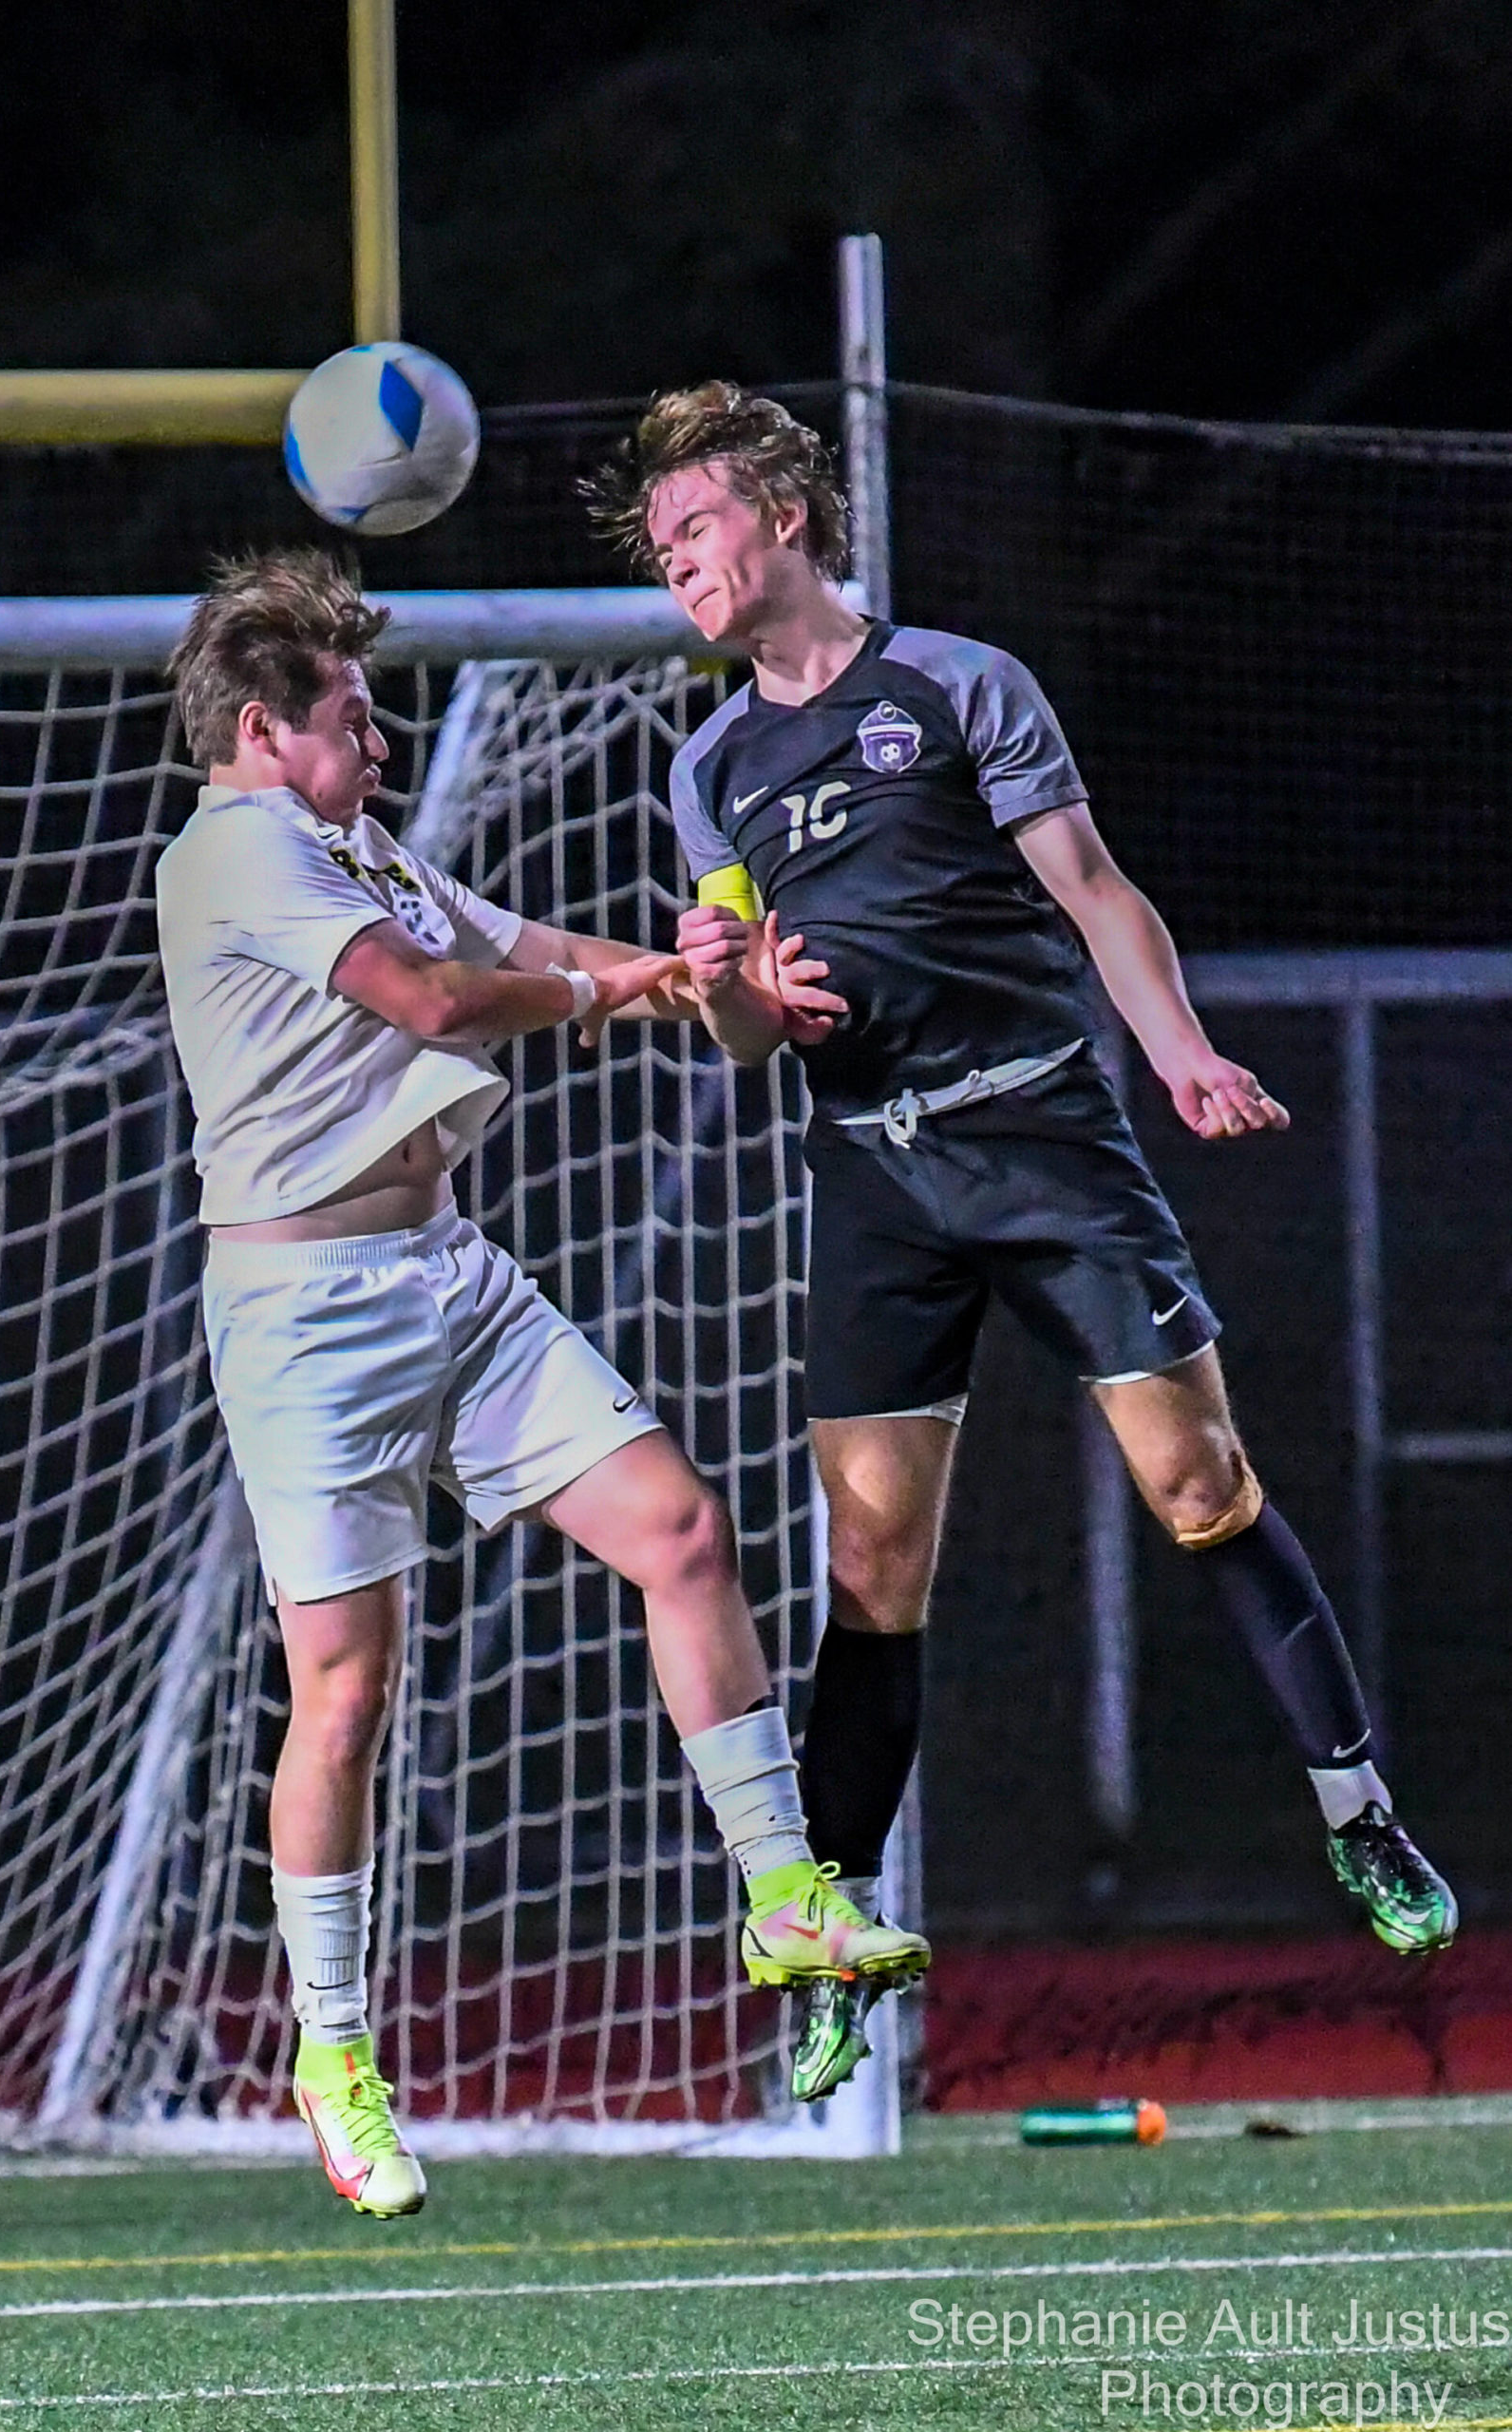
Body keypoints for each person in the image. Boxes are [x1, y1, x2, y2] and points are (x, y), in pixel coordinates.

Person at [584, 383, 1458, 2107]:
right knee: (871, 1570)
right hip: (878, 1179)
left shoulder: (958, 684)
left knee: (1200, 1486)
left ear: (783, 515)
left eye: (694, 526)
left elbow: (1095, 890)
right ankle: (825, 1930)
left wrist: (1184, 1052)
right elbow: (743, 1031)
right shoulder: (710, 769)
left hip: (1046, 1134)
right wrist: (738, 993)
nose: (675, 560)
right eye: (660, 545)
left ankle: (1359, 1814)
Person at [156, 548, 926, 2214]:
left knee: (684, 1534)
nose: (380, 738)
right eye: (353, 716)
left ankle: (785, 1890)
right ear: (269, 728)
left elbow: (506, 937)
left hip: (455, 1276)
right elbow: (437, 999)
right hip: (308, 1316)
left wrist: (688, 977)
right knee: (347, 1698)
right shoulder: (236, 858)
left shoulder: (351, 843)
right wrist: (599, 994)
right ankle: (337, 2055)